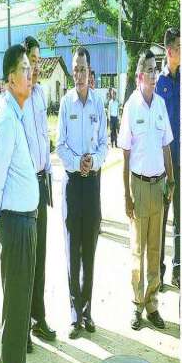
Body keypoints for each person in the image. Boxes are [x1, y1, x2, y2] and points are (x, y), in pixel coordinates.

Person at [0, 43, 41, 363]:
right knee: (15, 313)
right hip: (15, 225)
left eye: (30, 68)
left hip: (27, 222)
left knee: (22, 313)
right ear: (9, 79)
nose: (30, 73)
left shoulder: (18, 114)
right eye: (23, 69)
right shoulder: (6, 121)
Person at [118, 50, 175, 330]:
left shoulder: (161, 105)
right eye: (150, 70)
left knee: (155, 249)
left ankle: (152, 305)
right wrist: (126, 196)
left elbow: (166, 147)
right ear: (140, 75)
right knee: (137, 251)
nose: (154, 75)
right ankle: (136, 305)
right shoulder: (131, 107)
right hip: (139, 186)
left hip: (159, 185)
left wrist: (171, 182)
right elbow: (125, 154)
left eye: (156, 69)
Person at [57, 47, 107, 339]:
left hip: (93, 185)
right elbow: (60, 145)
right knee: (72, 252)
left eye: (83, 69)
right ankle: (74, 314)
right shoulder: (66, 103)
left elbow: (104, 144)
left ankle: (87, 312)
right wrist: (78, 163)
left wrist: (94, 161)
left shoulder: (99, 103)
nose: (79, 75)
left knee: (89, 251)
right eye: (75, 69)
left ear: (90, 72)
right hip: (73, 184)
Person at [23, 36, 56, 345]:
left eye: (37, 61)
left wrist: (49, 172)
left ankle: (39, 318)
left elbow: (44, 137)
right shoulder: (17, 99)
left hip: (42, 180)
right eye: (31, 61)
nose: (35, 66)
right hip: (25, 186)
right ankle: (23, 326)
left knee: (41, 255)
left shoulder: (40, 95)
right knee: (26, 258)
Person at [156, 27, 181, 288]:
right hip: (164, 164)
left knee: (179, 219)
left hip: (180, 162)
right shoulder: (159, 84)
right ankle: (159, 271)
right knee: (162, 219)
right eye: (180, 47)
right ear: (169, 50)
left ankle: (177, 270)